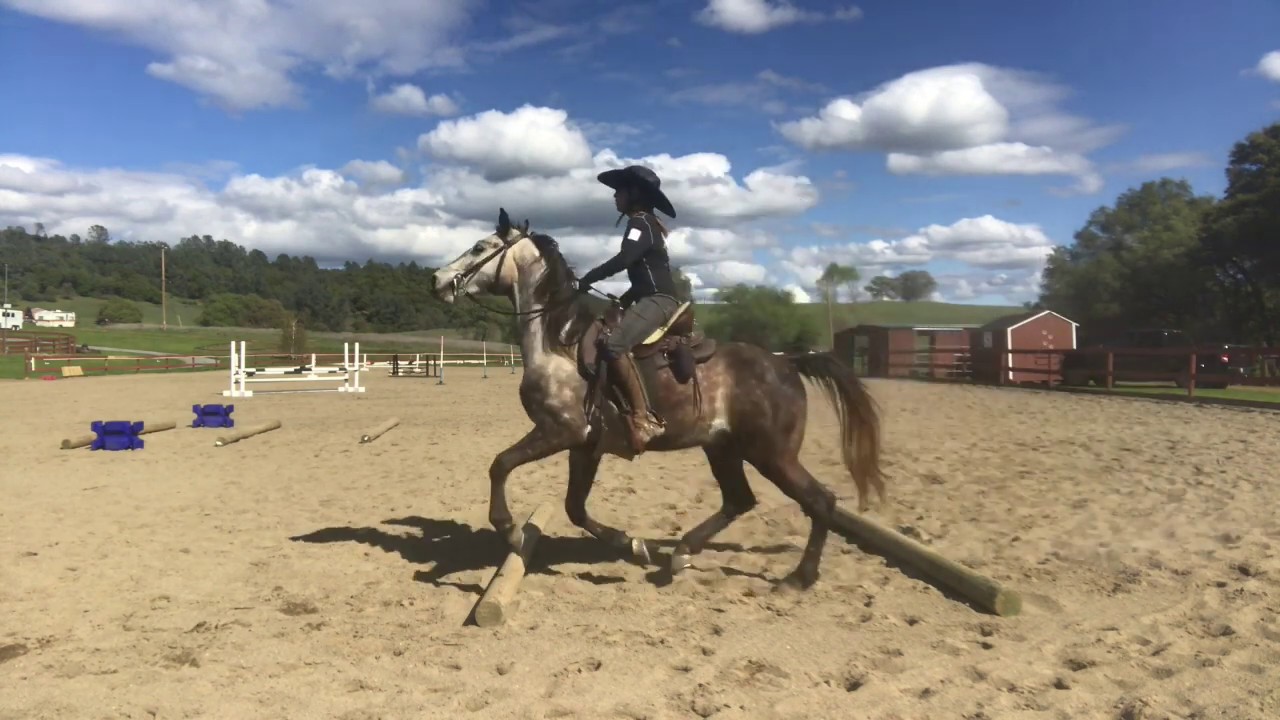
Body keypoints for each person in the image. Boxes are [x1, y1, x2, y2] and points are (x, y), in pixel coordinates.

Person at [576, 164, 681, 454]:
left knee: (613, 344)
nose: (614, 197)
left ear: (634, 194)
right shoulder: (645, 224)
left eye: (619, 191)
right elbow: (644, 275)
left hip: (659, 301)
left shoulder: (640, 224)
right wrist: (624, 301)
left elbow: (625, 259)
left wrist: (589, 277)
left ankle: (643, 417)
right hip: (650, 297)